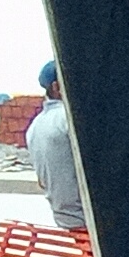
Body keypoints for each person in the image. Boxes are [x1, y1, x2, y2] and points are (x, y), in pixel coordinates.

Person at [27, 59, 86, 232]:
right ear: (56, 87)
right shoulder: (69, 119)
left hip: (66, 218)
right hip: (87, 219)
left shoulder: (36, 125)